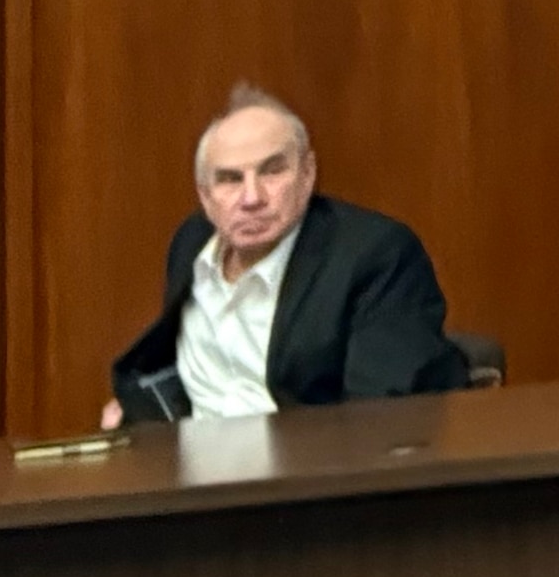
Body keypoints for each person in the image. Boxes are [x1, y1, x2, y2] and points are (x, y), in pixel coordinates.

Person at [106, 86, 466, 424]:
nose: (252, 198)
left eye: (272, 171)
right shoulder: (192, 243)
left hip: (307, 477)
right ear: (205, 195)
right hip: (193, 475)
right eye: (230, 179)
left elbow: (376, 420)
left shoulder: (376, 255)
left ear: (308, 174)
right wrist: (140, 409)